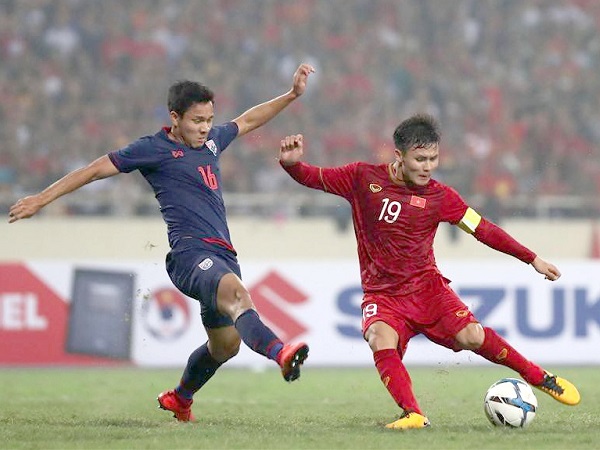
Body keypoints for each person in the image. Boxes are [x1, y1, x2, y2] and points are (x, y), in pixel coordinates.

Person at [9, 63, 316, 422]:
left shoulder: (212, 142)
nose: (204, 127)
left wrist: (292, 95)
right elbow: (93, 170)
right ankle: (281, 353)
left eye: (208, 119)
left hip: (223, 255)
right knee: (238, 296)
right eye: (196, 121)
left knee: (225, 346)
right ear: (174, 117)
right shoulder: (152, 149)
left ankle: (180, 398)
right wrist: (41, 199)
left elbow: (247, 120)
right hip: (189, 254)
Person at [278, 114, 580, 430]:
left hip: (428, 291)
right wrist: (291, 165)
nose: (428, 166)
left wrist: (531, 259)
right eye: (420, 159)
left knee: (472, 335)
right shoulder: (362, 177)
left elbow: (483, 229)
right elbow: (313, 177)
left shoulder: (441, 197)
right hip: (383, 295)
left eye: (433, 158)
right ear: (399, 156)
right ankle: (414, 414)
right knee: (379, 336)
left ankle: (539, 377)